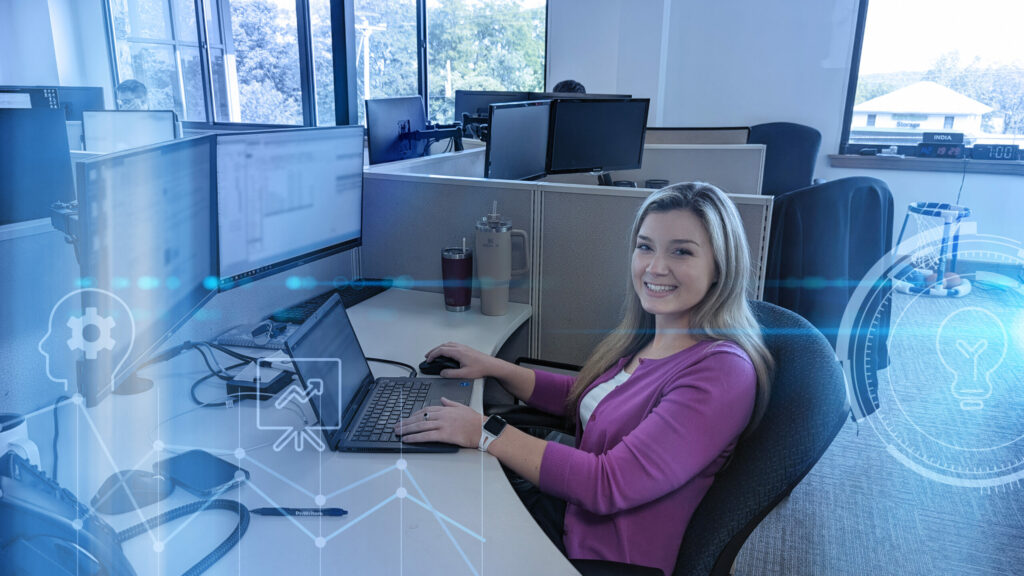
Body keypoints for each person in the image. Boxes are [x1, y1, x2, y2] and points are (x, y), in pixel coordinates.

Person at [395, 182, 774, 575]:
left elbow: (608, 483)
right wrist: (496, 368)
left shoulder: (721, 372)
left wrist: (484, 431)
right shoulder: (657, 336)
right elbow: (590, 399)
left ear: (720, 268)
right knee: (433, 501)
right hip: (570, 515)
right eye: (645, 246)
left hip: (602, 556)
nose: (655, 267)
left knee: (430, 537)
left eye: (681, 251)